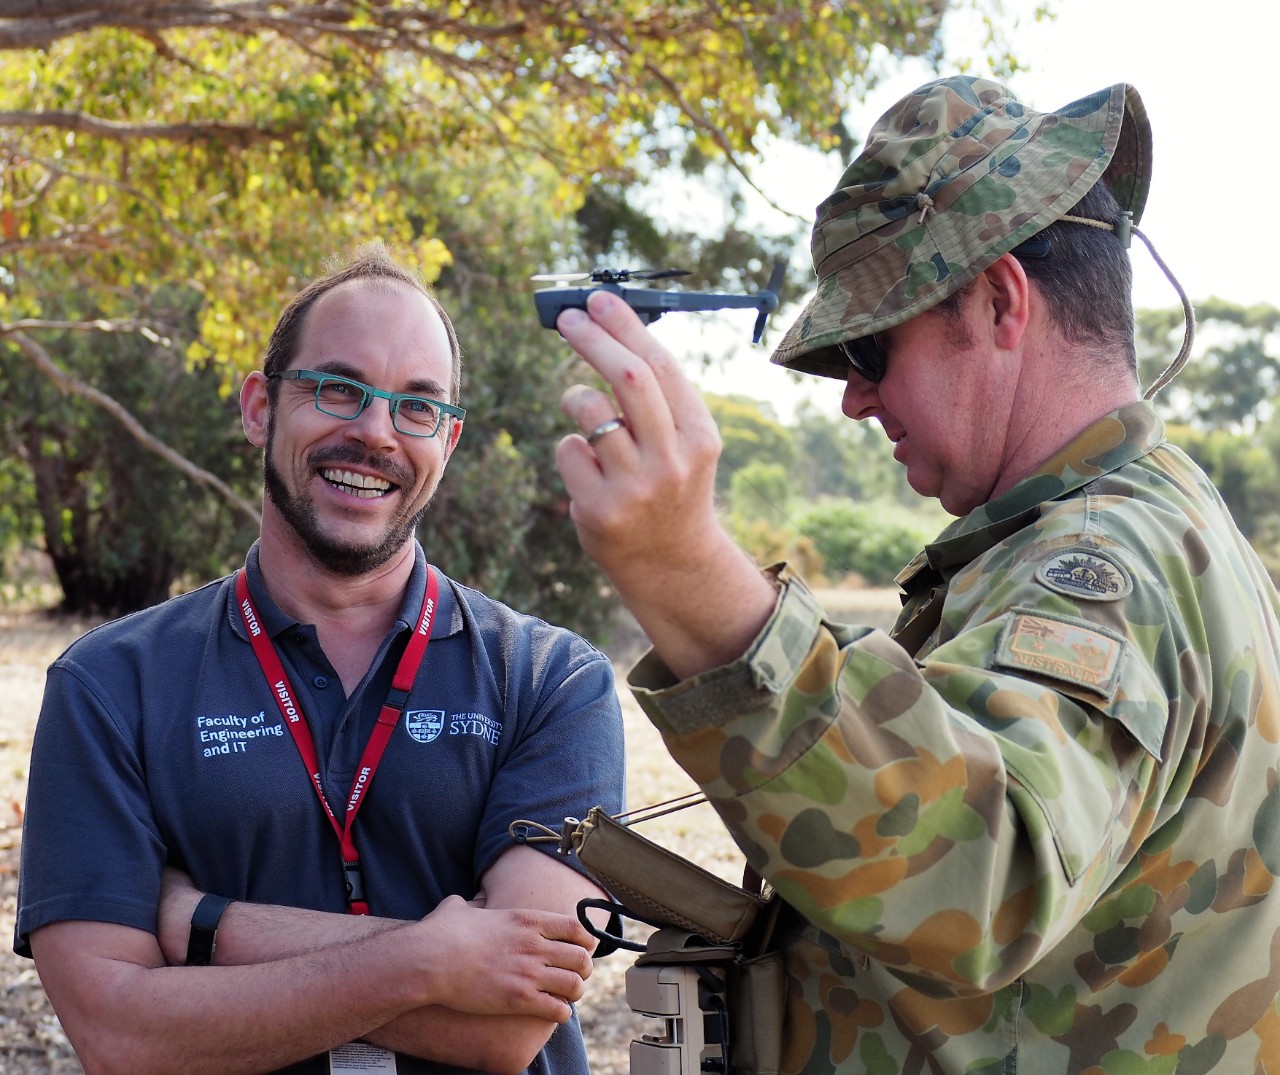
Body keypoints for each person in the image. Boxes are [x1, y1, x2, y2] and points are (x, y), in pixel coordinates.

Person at [551, 76, 1280, 1072]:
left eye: (868, 345)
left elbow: (985, 880)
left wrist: (692, 581)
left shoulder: (1107, 566)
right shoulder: (1131, 534)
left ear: (997, 302)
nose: (853, 398)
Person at [15, 242, 626, 1075]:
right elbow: (122, 1037)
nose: (374, 432)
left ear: (446, 440)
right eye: (339, 389)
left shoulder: (552, 680)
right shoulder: (111, 685)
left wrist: (209, 924)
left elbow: (510, 1024)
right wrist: (430, 958)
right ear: (261, 406)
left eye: (417, 407)